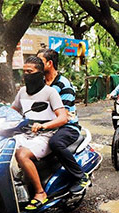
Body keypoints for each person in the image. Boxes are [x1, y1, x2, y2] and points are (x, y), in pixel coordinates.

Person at [11, 56, 67, 210]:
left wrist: (44, 126)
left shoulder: (50, 92)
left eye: (30, 71)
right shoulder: (22, 91)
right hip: (26, 133)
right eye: (24, 71)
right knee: (3, 147)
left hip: (46, 135)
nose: (26, 75)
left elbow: (63, 118)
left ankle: (40, 193)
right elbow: (12, 112)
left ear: (40, 73)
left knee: (21, 154)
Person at [36, 48, 89, 194]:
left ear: (49, 64)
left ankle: (80, 177)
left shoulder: (64, 84)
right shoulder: (39, 83)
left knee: (55, 143)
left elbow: (64, 116)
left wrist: (43, 124)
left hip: (66, 126)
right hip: (44, 125)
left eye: (39, 61)